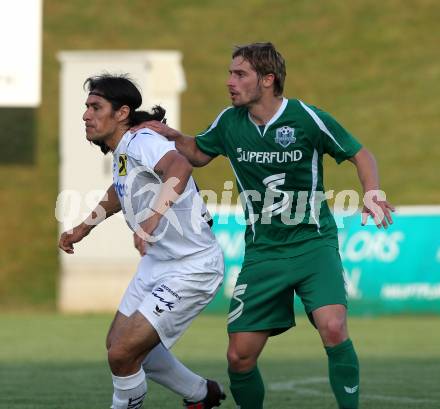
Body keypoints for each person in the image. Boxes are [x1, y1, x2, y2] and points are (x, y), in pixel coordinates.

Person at [137, 42, 395, 409]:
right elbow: (198, 153)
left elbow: (360, 153)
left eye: (239, 74)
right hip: (264, 253)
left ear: (268, 79)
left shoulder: (306, 118)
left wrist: (371, 192)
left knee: (334, 327)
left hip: (313, 244)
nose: (230, 81)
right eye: (230, 73)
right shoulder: (229, 122)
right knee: (238, 358)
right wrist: (174, 136)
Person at [58, 74, 227, 409]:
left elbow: (180, 166)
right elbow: (119, 192)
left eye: (96, 107)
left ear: (122, 113)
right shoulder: (124, 149)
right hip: (158, 264)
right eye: (86, 107)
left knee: (123, 353)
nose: (86, 115)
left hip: (191, 268)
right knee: (119, 346)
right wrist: (84, 227)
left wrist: (152, 219)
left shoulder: (142, 140)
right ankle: (200, 394)